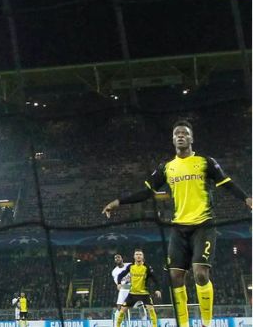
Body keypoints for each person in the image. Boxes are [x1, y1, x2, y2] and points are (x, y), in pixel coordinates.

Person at [103, 120, 251, 327]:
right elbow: (147, 192)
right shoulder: (167, 167)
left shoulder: (205, 162)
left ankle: (206, 323)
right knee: (175, 277)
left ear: (191, 138)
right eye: (177, 134)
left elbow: (226, 183)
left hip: (203, 224)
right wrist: (118, 202)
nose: (180, 136)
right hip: (179, 228)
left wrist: (247, 198)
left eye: (184, 133)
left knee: (200, 274)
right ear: (173, 140)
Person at [113, 249, 161, 327]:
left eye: (140, 254)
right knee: (122, 311)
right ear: (134, 256)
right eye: (137, 254)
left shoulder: (147, 267)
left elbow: (155, 279)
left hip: (144, 293)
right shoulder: (131, 266)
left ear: (143, 257)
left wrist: (157, 289)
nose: (138, 256)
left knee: (151, 310)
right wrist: (118, 283)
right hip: (132, 293)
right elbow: (121, 275)